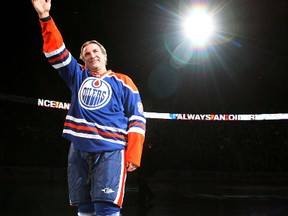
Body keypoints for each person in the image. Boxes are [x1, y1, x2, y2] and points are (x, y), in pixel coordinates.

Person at [31, 0, 146, 215]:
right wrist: (45, 18)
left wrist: (133, 154)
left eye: (95, 51)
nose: (92, 55)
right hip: (79, 148)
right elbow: (56, 51)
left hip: (111, 148)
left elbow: (137, 119)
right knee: (84, 207)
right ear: (82, 60)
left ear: (104, 56)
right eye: (86, 54)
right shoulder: (78, 75)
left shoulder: (123, 81)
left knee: (106, 207)